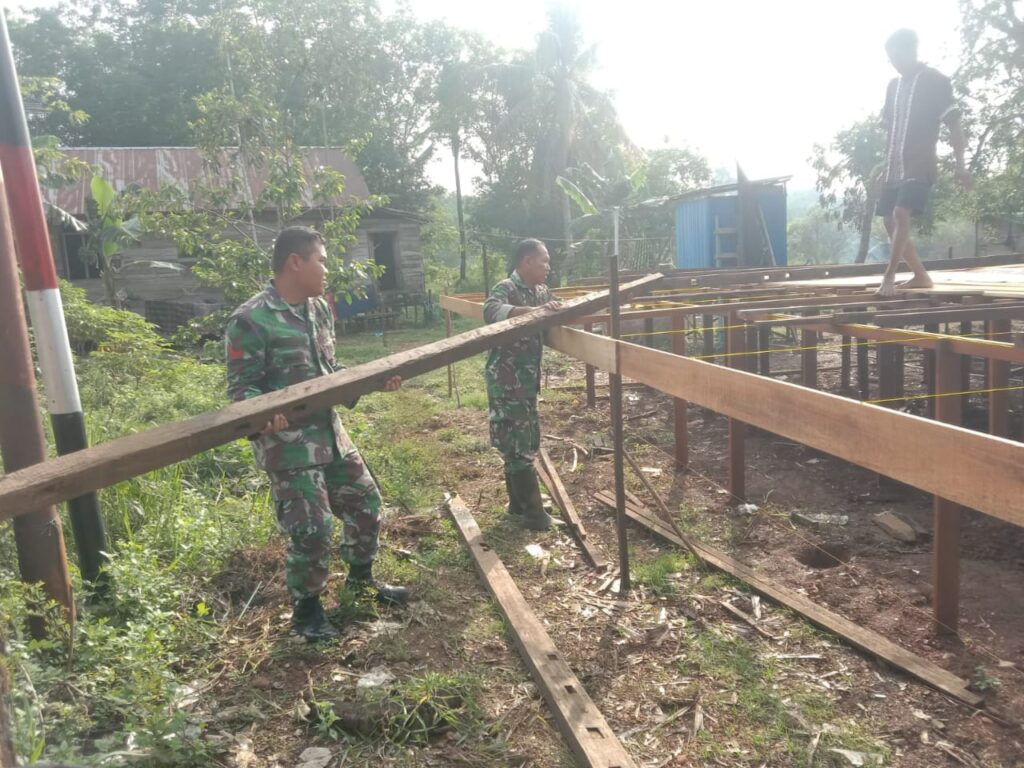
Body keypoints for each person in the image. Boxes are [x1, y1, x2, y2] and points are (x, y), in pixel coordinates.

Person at [225, 226, 408, 642]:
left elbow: (330, 374)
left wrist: (372, 381)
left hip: (331, 435)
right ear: (295, 261)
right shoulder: (250, 319)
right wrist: (261, 414)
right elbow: (241, 390)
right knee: (313, 529)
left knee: (367, 504)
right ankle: (306, 612)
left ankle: (360, 582)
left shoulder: (319, 309)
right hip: (288, 447)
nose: (328, 269)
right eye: (322, 260)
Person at [875, 28, 972, 297]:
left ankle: (889, 278)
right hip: (894, 166)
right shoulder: (893, 86)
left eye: (896, 55)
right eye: (889, 58)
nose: (893, 62)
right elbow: (890, 131)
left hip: (920, 164)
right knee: (888, 220)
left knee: (901, 213)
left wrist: (960, 165)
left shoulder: (936, 82)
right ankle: (920, 274)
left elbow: (954, 125)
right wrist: (883, 167)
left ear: (911, 50)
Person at [483, 239, 562, 531]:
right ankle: (534, 515)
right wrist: (529, 313)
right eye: (544, 260)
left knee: (522, 439)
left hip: (527, 380)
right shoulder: (507, 288)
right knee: (515, 441)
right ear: (526, 262)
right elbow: (491, 311)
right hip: (507, 379)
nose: (547, 266)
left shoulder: (541, 291)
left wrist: (554, 310)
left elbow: (554, 311)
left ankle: (518, 504)